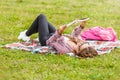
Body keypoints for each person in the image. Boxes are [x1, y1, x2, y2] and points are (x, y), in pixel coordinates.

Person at [18, 14, 98, 58]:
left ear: (78, 50)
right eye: (83, 43)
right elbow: (76, 35)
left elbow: (52, 42)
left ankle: (26, 35)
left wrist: (59, 33)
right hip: (55, 34)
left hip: (47, 39)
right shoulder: (78, 43)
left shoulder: (66, 50)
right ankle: (27, 34)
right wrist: (82, 26)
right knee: (42, 23)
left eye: (81, 45)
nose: (81, 42)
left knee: (42, 17)